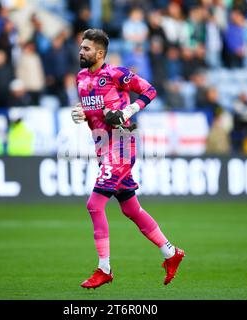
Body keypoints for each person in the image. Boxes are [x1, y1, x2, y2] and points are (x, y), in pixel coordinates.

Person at [71, 29, 185, 289]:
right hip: (102, 146)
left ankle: (104, 268)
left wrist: (129, 109)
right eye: (81, 47)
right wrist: (80, 114)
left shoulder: (116, 74)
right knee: (130, 209)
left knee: (94, 204)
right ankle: (171, 252)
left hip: (122, 143)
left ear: (100, 53)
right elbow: (95, 110)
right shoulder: (80, 78)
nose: (81, 51)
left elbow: (150, 90)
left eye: (87, 48)